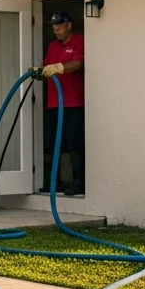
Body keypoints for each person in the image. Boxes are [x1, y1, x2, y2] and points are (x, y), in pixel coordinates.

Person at [39, 11, 85, 196]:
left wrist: (61, 68)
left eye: (58, 27)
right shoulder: (53, 46)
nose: (55, 30)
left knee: (74, 144)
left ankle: (78, 182)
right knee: (56, 143)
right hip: (53, 104)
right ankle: (55, 182)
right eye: (53, 27)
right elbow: (46, 65)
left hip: (73, 103)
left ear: (69, 24)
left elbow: (79, 63)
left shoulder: (79, 42)